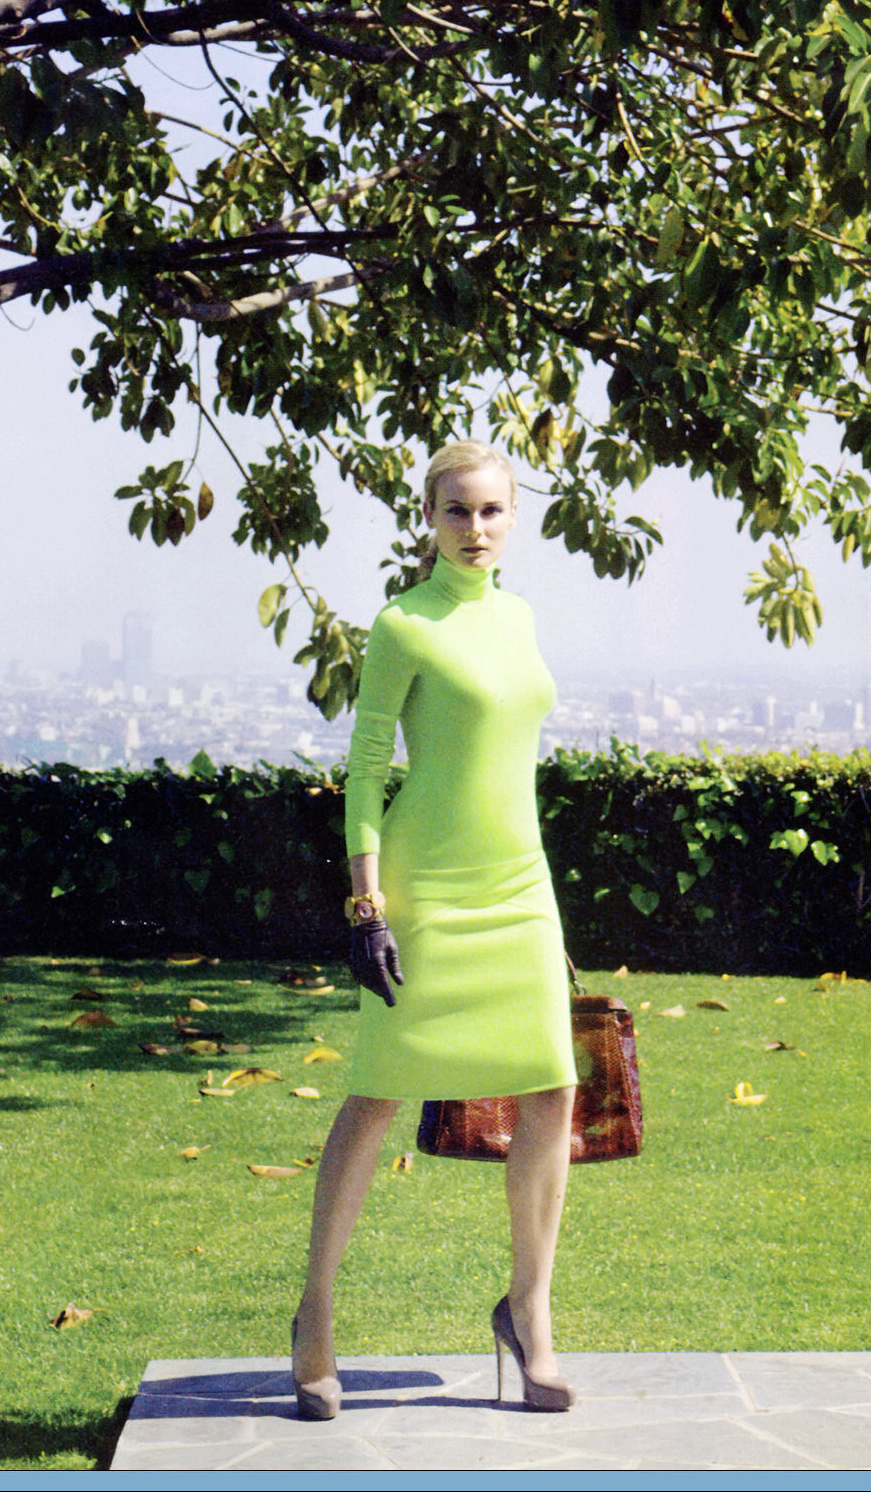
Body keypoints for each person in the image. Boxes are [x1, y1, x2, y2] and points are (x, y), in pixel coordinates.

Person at [290, 439, 578, 1418]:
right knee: (375, 1096)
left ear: (514, 515)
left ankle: (529, 1312)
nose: (475, 528)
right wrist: (367, 905)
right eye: (457, 510)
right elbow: (368, 769)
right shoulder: (401, 624)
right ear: (429, 518)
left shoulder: (521, 616)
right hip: (424, 890)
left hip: (520, 885)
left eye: (492, 510)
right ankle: (315, 1313)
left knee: (552, 1090)